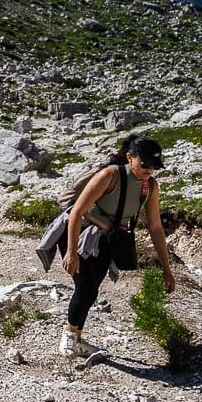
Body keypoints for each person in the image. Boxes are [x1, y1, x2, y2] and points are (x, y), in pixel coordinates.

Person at [59, 134, 173, 358]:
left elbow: (156, 228)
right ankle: (68, 338)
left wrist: (167, 269)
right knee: (86, 287)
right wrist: (71, 251)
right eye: (145, 164)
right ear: (130, 157)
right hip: (79, 232)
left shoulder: (150, 186)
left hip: (107, 238)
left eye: (154, 166)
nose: (149, 170)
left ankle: (76, 339)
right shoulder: (110, 175)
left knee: (91, 290)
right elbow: (76, 212)